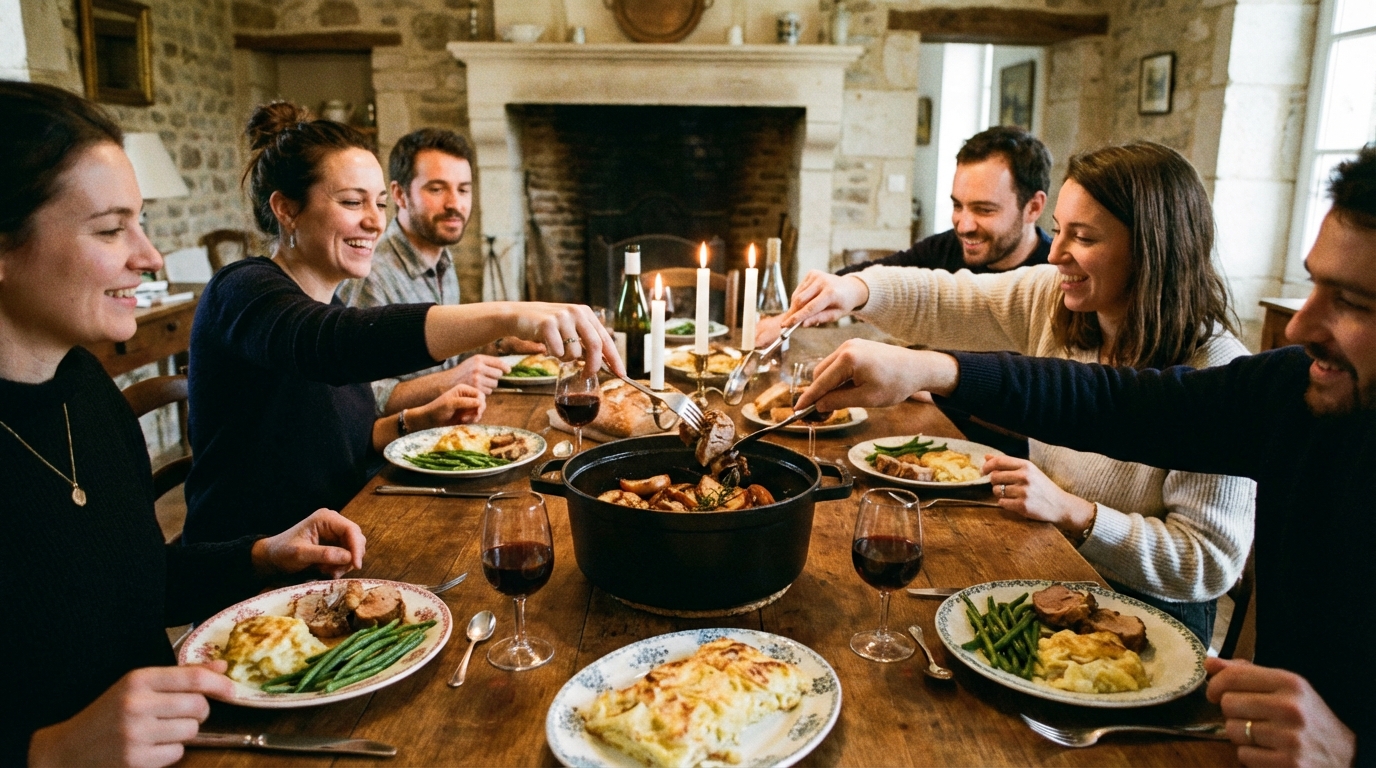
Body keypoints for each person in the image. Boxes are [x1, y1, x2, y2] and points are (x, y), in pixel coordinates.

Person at [796, 144, 1376, 767]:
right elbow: (1103, 400)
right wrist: (862, 299)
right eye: (1313, 284)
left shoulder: (1229, 364)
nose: (1297, 326)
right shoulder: (1294, 389)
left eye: (1353, 302)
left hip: (1150, 640)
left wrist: (1354, 751)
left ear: (1150, 250)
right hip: (1053, 580)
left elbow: (1207, 565)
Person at [0, 81, 368, 768]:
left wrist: (261, 554)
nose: (151, 257)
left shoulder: (83, 390)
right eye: (111, 230)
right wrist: (46, 751)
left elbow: (125, 583)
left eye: (138, 223)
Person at [779, 142, 1255, 643]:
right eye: (1060, 228)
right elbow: (946, 297)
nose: (1055, 252)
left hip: (1147, 621)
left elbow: (1206, 564)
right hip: (1047, 566)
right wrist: (853, 290)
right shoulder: (1058, 300)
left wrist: (1076, 513)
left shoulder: (1218, 368)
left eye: (1084, 237)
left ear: (1153, 249)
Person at [183, 102, 622, 544]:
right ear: (287, 210)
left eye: (376, 203)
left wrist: (414, 420)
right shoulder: (241, 290)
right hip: (254, 573)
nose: (375, 222)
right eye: (353, 202)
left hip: (346, 530)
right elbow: (333, 347)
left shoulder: (328, 302)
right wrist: (509, 314)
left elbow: (328, 438)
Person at [756, 126, 1055, 347]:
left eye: (984, 210)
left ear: (1033, 207)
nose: (964, 225)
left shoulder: (1055, 280)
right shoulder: (947, 246)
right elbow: (885, 272)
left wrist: (936, 385)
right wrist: (798, 313)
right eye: (957, 205)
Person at [337, 128, 543, 413]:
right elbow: (355, 396)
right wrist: (448, 381)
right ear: (399, 194)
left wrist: (498, 344)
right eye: (436, 189)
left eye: (463, 189)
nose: (454, 204)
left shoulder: (441, 256)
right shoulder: (369, 274)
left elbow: (444, 358)